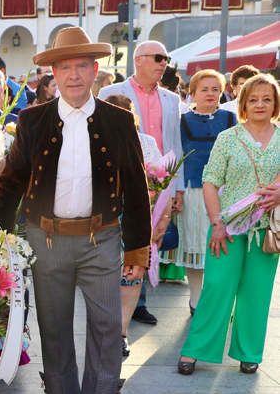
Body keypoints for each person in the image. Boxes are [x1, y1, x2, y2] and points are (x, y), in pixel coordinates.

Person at [0, 27, 151, 394]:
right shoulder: (32, 119)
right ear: (54, 72)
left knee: (106, 327)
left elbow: (137, 188)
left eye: (83, 66)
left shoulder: (119, 121)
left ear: (95, 71)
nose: (75, 76)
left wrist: (138, 250)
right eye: (66, 67)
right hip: (45, 239)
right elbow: (11, 180)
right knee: (55, 326)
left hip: (102, 238)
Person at [178, 74, 280, 376]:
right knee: (217, 287)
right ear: (243, 103)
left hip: (267, 232)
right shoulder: (229, 137)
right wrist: (216, 222)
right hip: (227, 227)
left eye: (267, 99)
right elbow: (210, 182)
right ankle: (195, 350)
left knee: (257, 292)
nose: (260, 104)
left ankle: (249, 352)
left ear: (275, 104)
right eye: (253, 99)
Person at [98, 40, 183, 326]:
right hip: (117, 186)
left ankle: (139, 304)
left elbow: (175, 145)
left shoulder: (172, 99)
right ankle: (112, 305)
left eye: (166, 58)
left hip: (157, 182)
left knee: (149, 242)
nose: (164, 64)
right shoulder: (111, 92)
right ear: (139, 59)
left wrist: (176, 187)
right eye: (159, 57)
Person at [165, 69, 237, 315]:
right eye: (204, 89)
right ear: (192, 93)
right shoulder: (182, 121)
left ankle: (219, 302)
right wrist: (177, 192)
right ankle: (196, 301)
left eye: (215, 89)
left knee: (224, 247)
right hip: (193, 190)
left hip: (225, 192)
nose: (210, 94)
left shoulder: (229, 119)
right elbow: (177, 157)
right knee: (195, 245)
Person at [104, 94, 169, 357]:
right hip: (102, 221)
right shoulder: (93, 140)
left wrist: (162, 218)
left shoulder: (146, 142)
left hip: (137, 217)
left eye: (125, 113)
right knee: (104, 279)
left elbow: (161, 178)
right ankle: (104, 332)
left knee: (131, 277)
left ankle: (120, 333)